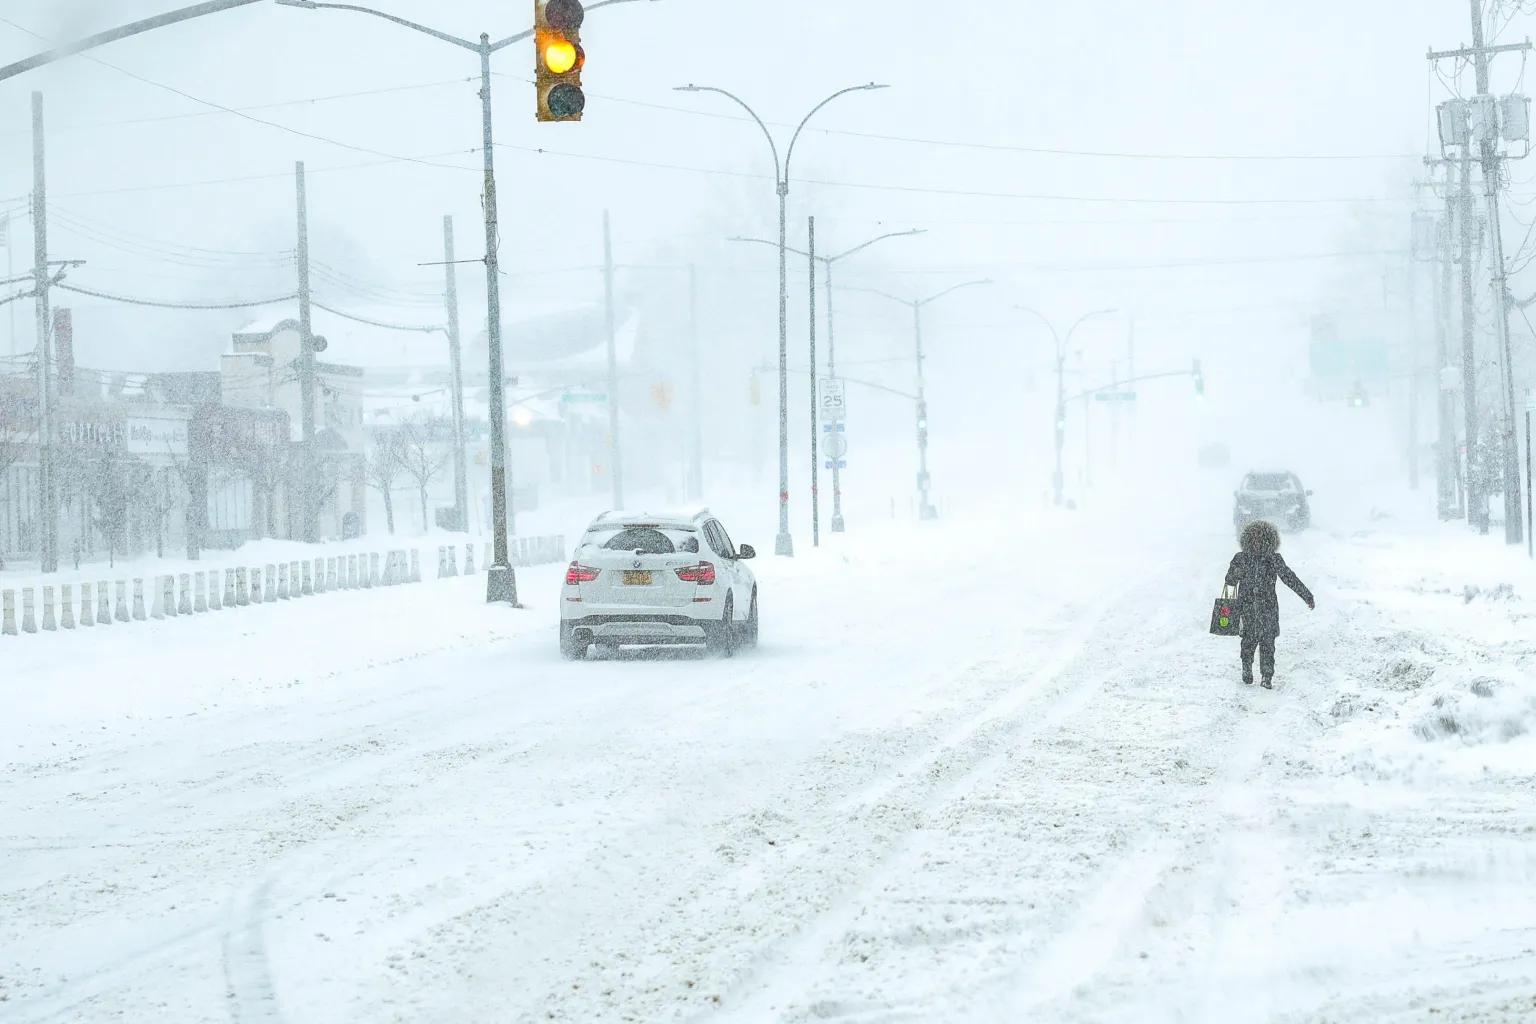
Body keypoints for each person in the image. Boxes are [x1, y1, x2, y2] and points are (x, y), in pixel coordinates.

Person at [1224, 519, 1314, 688]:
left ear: (1268, 540)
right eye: (1254, 539)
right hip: (1247, 606)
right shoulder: (1241, 558)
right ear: (1249, 540)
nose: (1257, 542)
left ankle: (1267, 676)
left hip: (1268, 607)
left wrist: (1307, 596)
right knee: (1249, 640)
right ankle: (1247, 667)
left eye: (1261, 538)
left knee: (1268, 641)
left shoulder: (1273, 559)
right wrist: (1235, 576)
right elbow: (1229, 582)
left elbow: (1289, 577)